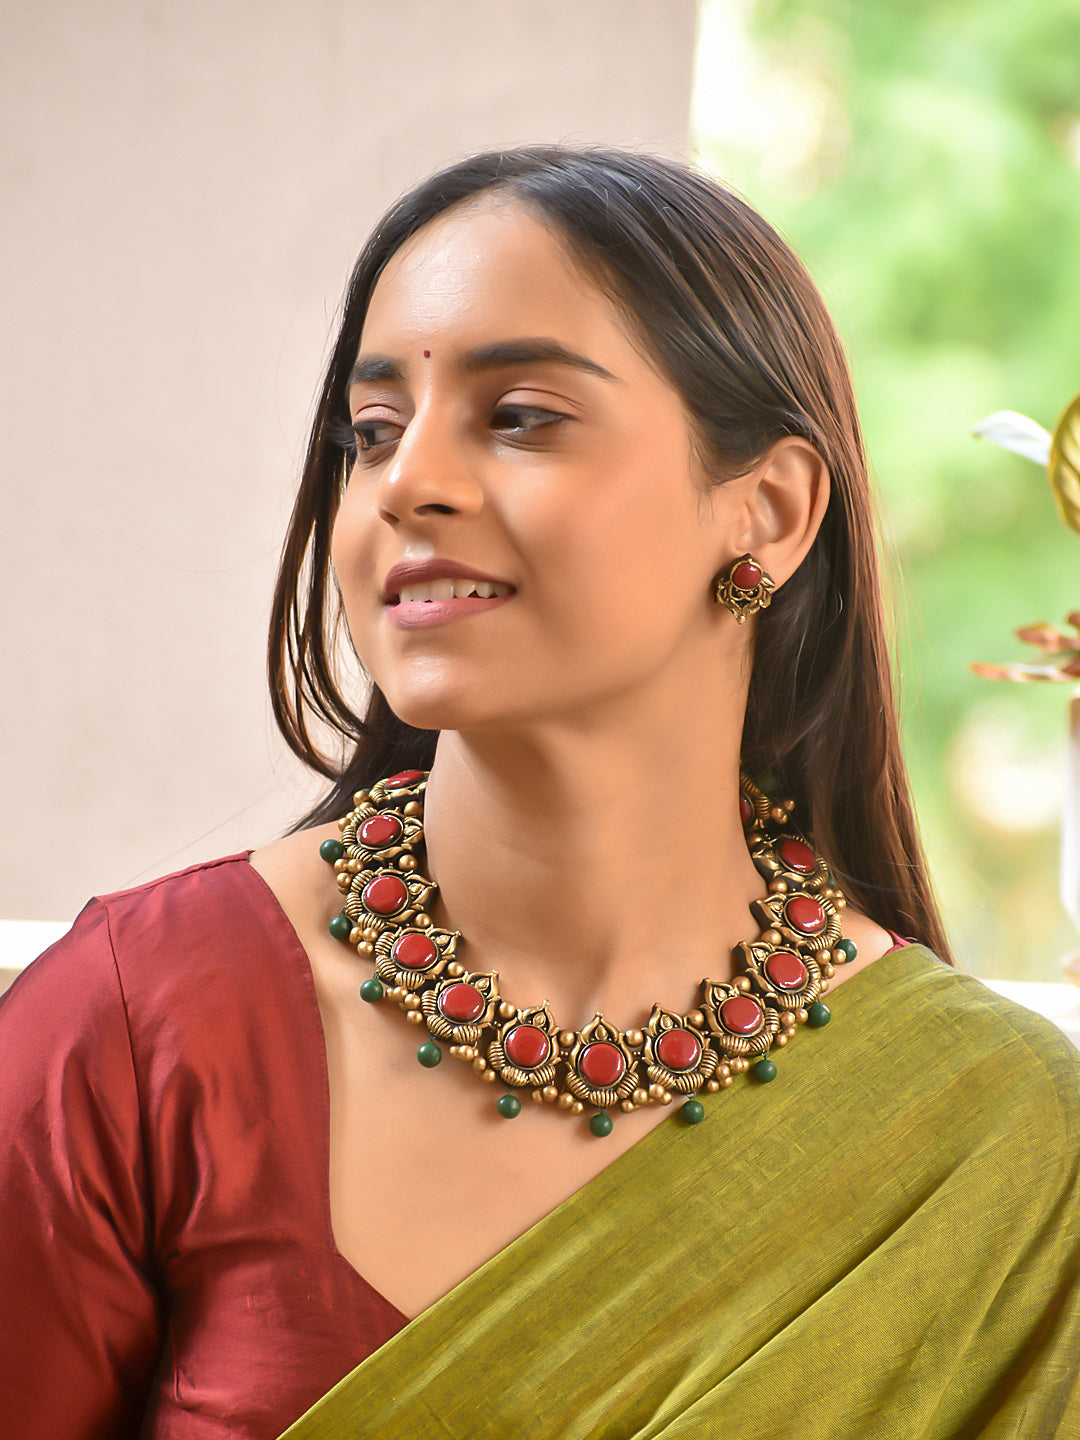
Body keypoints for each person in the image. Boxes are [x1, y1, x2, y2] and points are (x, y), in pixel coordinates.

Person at [2, 146, 1078, 1440]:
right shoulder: (137, 1026)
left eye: (521, 417)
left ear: (771, 512)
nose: (407, 485)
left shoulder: (997, 1139)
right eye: (374, 432)